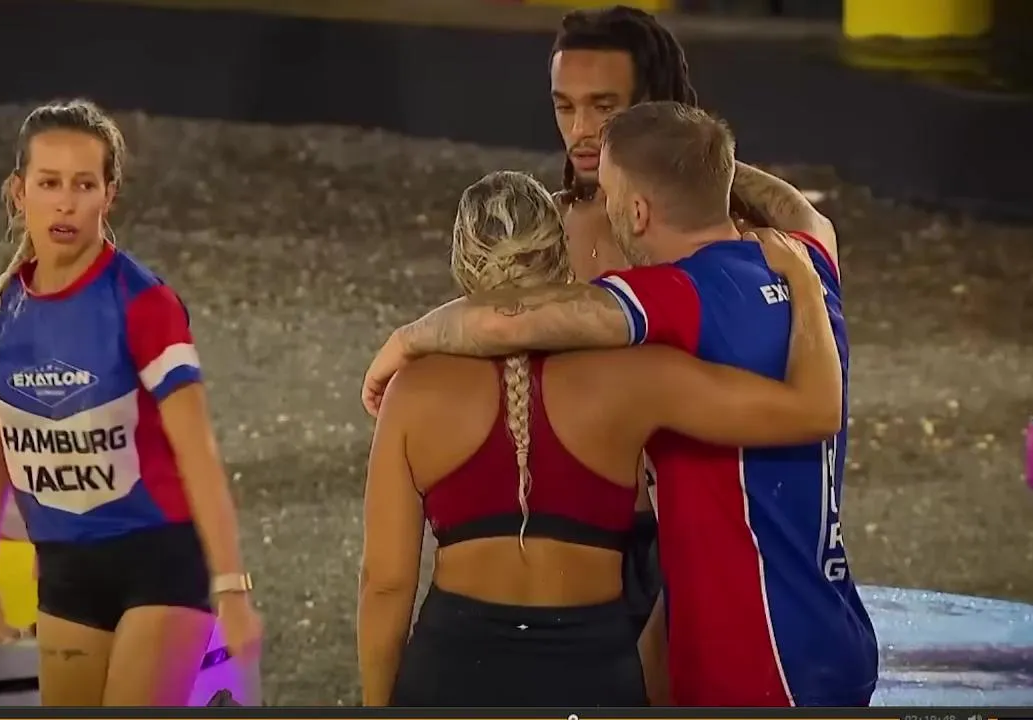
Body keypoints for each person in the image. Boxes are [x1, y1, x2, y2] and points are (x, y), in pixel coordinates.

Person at [361, 103, 878, 707]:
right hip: (821, 627)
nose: (602, 210)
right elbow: (798, 210)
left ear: (637, 210)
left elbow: (507, 321)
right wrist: (692, 164)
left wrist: (404, 343)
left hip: (750, 656)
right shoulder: (806, 256)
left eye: (607, 193)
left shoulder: (666, 298)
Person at [0, 99, 262, 706]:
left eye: (84, 185)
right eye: (49, 183)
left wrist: (231, 586)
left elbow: (196, 450)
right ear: (18, 192)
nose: (65, 203)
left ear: (108, 195)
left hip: (159, 562)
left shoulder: (143, 303)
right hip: (65, 571)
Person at [547, 6, 830, 668]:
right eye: (564, 107)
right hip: (577, 535)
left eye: (604, 108)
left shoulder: (734, 240)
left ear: (651, 106)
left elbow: (813, 233)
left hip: (710, 539)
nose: (581, 130)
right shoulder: (548, 231)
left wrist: (691, 156)